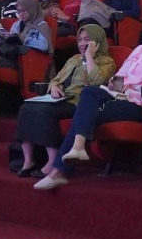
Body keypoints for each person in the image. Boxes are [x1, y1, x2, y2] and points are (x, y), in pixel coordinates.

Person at [34, 11, 142, 189]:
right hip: (119, 96)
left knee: (85, 113)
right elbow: (120, 76)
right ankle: (75, 149)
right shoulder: (140, 49)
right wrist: (115, 85)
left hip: (140, 105)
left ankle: (59, 170)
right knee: (90, 93)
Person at [14, 25, 117, 177]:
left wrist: (89, 57)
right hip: (61, 98)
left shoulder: (107, 62)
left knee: (44, 111)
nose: (82, 44)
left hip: (80, 103)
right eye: (80, 39)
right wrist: (54, 87)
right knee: (26, 107)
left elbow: (97, 81)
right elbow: (56, 79)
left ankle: (52, 160)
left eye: (87, 40)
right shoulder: (74, 59)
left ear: (97, 42)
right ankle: (29, 160)